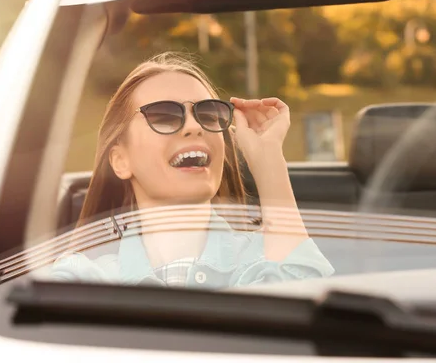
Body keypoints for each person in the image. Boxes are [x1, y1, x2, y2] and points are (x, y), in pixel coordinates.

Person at [51, 52, 334, 288]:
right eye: (163, 115)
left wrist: (268, 158)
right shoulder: (81, 280)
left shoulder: (268, 258)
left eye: (208, 113)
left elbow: (315, 319)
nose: (194, 126)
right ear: (120, 160)